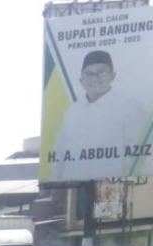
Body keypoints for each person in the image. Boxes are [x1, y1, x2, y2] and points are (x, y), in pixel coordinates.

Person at [51, 50, 150, 181]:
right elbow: (60, 155)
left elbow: (140, 156)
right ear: (81, 80)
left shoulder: (130, 108)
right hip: (73, 188)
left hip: (115, 187)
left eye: (101, 73)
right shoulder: (72, 112)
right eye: (89, 74)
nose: (95, 79)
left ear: (112, 76)